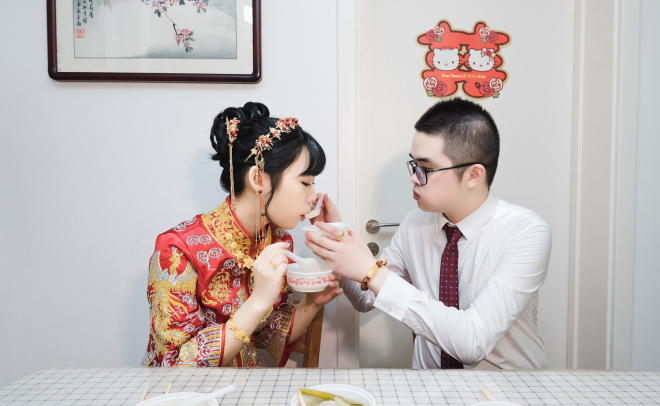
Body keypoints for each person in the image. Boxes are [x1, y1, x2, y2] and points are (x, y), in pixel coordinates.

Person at [304, 98, 552, 370]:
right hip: (429, 387)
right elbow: (365, 298)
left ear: (473, 175)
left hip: (508, 394)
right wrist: (338, 239)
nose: (413, 177)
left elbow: (473, 342)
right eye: (414, 165)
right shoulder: (415, 223)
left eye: (427, 168)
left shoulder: (526, 232)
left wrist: (372, 271)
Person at [142, 102, 342, 368]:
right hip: (183, 401)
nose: (313, 196)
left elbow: (273, 332)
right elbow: (178, 364)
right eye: (305, 182)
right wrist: (258, 300)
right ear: (259, 178)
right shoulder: (177, 251)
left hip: (243, 391)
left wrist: (312, 302)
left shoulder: (276, 240)